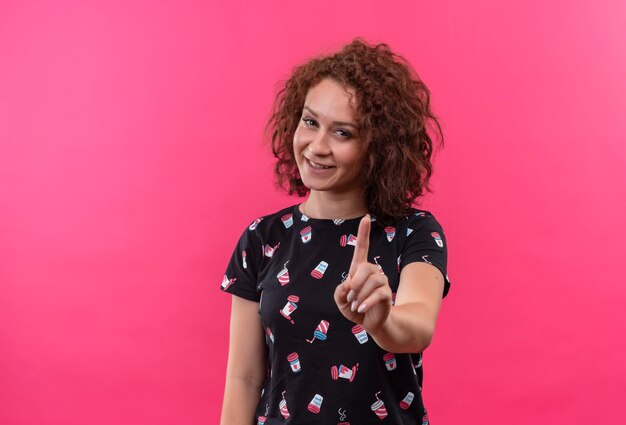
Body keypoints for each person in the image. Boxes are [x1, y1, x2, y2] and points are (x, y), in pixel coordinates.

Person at [219, 38, 451, 425]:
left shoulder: (416, 233)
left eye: (342, 133)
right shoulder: (262, 238)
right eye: (310, 122)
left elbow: (418, 328)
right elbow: (244, 378)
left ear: (378, 147)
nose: (317, 146)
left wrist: (381, 321)